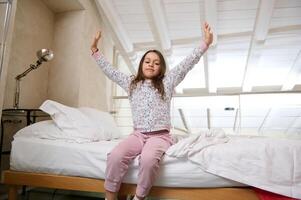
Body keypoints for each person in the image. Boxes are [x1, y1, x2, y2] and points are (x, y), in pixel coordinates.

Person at [91, 22, 213, 200]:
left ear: (161, 68)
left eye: (156, 63)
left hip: (160, 136)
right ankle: (110, 196)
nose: (151, 64)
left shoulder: (167, 82)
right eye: (147, 61)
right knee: (115, 155)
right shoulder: (131, 83)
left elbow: (187, 64)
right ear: (141, 64)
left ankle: (139, 197)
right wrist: (95, 51)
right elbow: (111, 71)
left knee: (148, 160)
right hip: (137, 135)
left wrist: (205, 44)